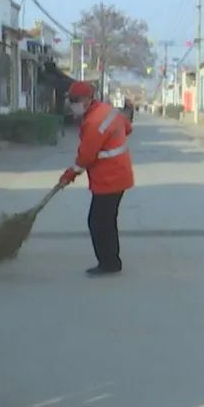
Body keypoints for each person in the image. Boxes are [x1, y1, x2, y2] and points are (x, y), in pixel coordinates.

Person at [59, 81, 134, 276]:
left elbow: (86, 157)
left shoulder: (93, 123)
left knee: (98, 222)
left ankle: (108, 263)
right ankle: (112, 260)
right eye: (71, 100)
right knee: (107, 220)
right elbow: (127, 127)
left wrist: (70, 174)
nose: (73, 104)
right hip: (118, 174)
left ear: (87, 100)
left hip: (109, 178)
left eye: (76, 100)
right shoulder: (107, 110)